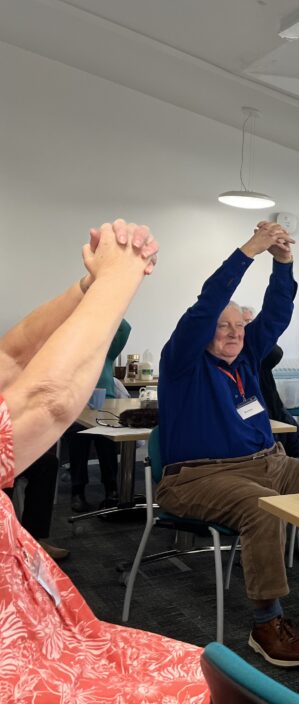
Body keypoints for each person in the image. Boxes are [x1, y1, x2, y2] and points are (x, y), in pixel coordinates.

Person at [0, 219, 209, 701]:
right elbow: (46, 402)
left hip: (45, 627)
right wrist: (119, 275)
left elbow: (12, 357)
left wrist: (88, 286)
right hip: (23, 658)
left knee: (206, 672)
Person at [157, 222, 299, 669]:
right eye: (222, 326)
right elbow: (208, 303)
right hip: (200, 476)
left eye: (239, 325)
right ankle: (266, 622)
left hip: (268, 463)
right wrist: (249, 251)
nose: (233, 333)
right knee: (264, 508)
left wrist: (284, 262)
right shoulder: (182, 362)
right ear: (203, 331)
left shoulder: (247, 358)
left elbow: (277, 311)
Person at [67, 318, 128, 511]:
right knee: (77, 436)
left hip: (106, 410)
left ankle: (112, 489)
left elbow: (125, 328)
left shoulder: (107, 353)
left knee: (106, 439)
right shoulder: (71, 359)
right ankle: (77, 491)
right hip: (79, 410)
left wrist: (108, 306)